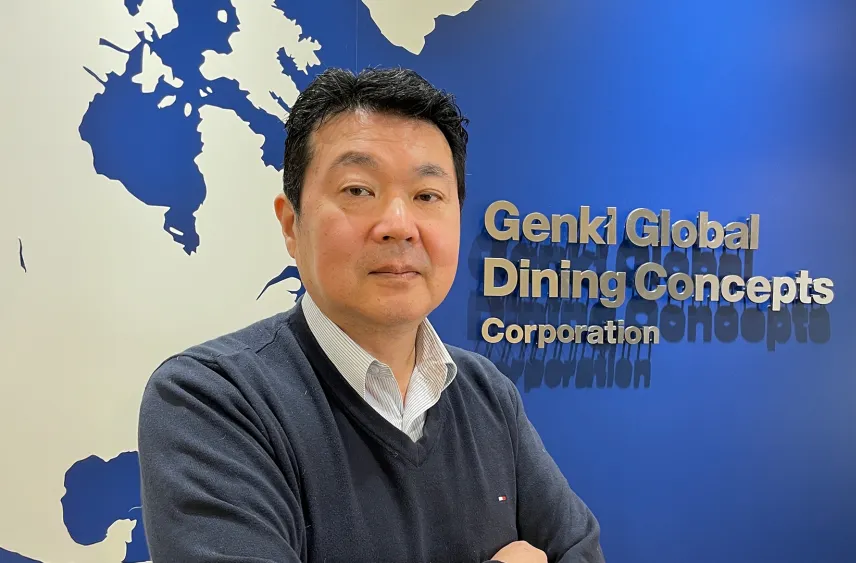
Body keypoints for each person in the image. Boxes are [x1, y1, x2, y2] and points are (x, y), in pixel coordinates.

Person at [137, 66, 605, 563]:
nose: (399, 225)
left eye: (427, 196)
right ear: (292, 225)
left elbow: (579, 549)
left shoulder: (487, 393)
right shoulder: (213, 400)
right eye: (359, 190)